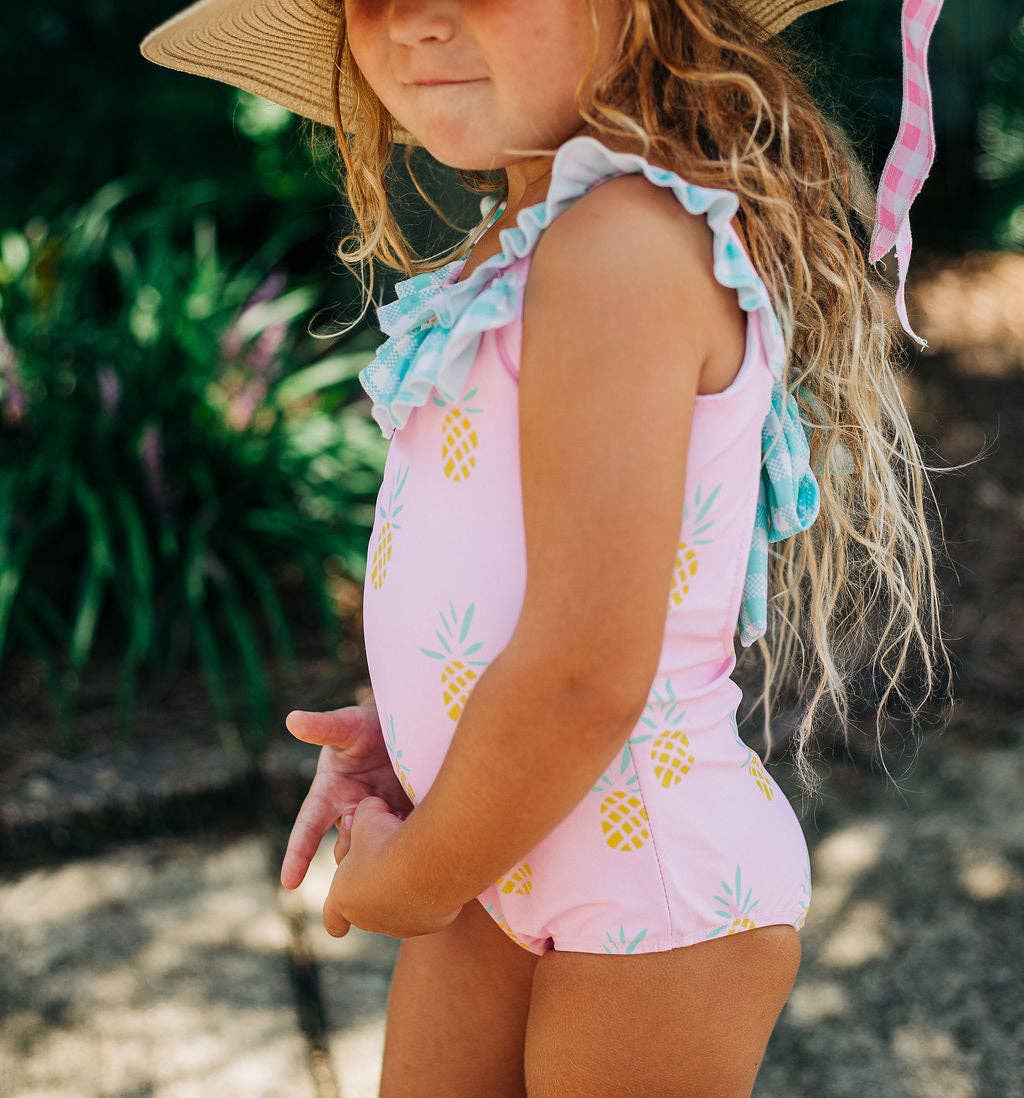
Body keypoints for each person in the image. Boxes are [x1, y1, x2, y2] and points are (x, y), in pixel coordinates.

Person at [139, 1, 953, 1093]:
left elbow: (584, 672)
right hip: (501, 820)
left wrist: (415, 881)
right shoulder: (538, 239)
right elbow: (538, 573)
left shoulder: (620, 243)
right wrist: (430, 722)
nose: (419, 19)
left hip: (647, 888)